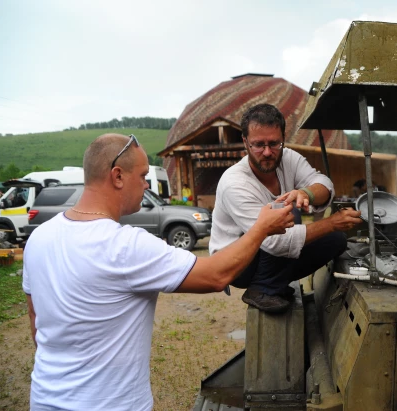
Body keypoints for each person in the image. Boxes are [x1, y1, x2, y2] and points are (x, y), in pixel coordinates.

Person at [22, 133, 294, 410]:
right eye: (142, 176)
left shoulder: (40, 237)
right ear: (117, 176)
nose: (145, 185)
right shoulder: (124, 245)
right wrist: (261, 228)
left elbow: (36, 319)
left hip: (45, 399)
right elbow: (215, 276)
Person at [210, 104, 362, 313]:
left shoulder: (288, 157)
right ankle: (263, 289)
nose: (267, 152)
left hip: (269, 247)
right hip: (236, 263)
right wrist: (331, 223)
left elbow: (324, 183)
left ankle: (273, 284)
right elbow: (274, 241)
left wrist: (306, 193)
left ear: (283, 139)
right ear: (245, 142)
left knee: (335, 241)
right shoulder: (235, 183)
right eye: (258, 145)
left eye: (274, 143)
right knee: (281, 227)